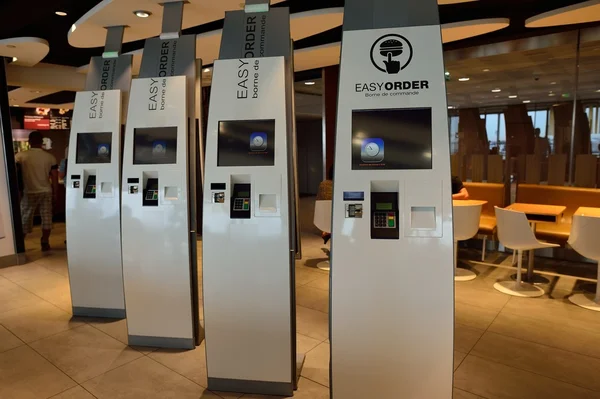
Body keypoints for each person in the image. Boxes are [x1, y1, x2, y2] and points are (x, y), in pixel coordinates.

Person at [15, 131, 59, 251]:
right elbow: (54, 177)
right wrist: (56, 193)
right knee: (46, 218)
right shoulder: (50, 157)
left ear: (29, 142)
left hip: (29, 191)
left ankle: (20, 243)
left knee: (24, 217)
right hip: (46, 191)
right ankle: (45, 241)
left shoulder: (20, 156)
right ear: (41, 142)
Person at [316, 166, 333, 244]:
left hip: (326, 210)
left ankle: (326, 232)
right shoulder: (342, 184)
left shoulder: (323, 184)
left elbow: (319, 199)